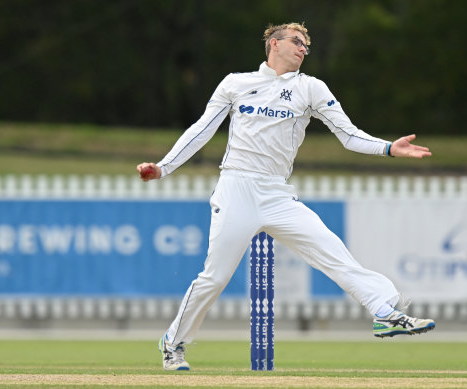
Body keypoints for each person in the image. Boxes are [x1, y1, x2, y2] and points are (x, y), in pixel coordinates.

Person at [137, 22, 435, 371]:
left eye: (307, 45)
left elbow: (348, 135)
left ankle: (384, 311)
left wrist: (388, 148)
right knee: (214, 278)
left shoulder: (310, 88)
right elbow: (201, 129)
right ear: (273, 44)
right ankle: (173, 343)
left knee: (331, 250)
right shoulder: (236, 83)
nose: (303, 49)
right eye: (297, 41)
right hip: (236, 187)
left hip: (277, 193)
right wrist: (163, 167)